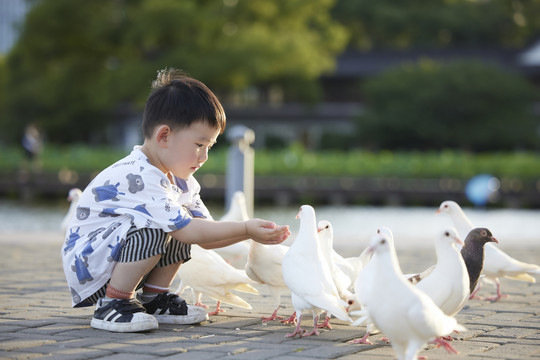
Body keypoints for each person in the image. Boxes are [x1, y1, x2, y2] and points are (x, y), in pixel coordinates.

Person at [61, 68, 291, 333]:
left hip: (116, 257)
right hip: (91, 265)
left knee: (181, 225)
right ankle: (113, 303)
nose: (204, 157)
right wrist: (246, 228)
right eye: (198, 145)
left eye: (210, 147)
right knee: (163, 227)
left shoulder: (180, 180)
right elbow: (191, 230)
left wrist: (249, 234)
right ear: (164, 136)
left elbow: (204, 232)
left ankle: (154, 299)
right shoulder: (141, 175)